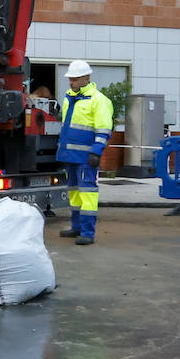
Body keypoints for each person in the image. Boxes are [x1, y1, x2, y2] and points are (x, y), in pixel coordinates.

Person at [56, 60, 114, 245]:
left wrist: (96, 152)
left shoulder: (99, 100)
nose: (71, 82)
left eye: (75, 79)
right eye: (70, 79)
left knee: (88, 194)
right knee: (74, 193)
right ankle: (77, 228)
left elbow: (103, 129)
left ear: (86, 78)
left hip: (86, 157)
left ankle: (88, 233)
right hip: (70, 155)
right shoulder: (69, 97)